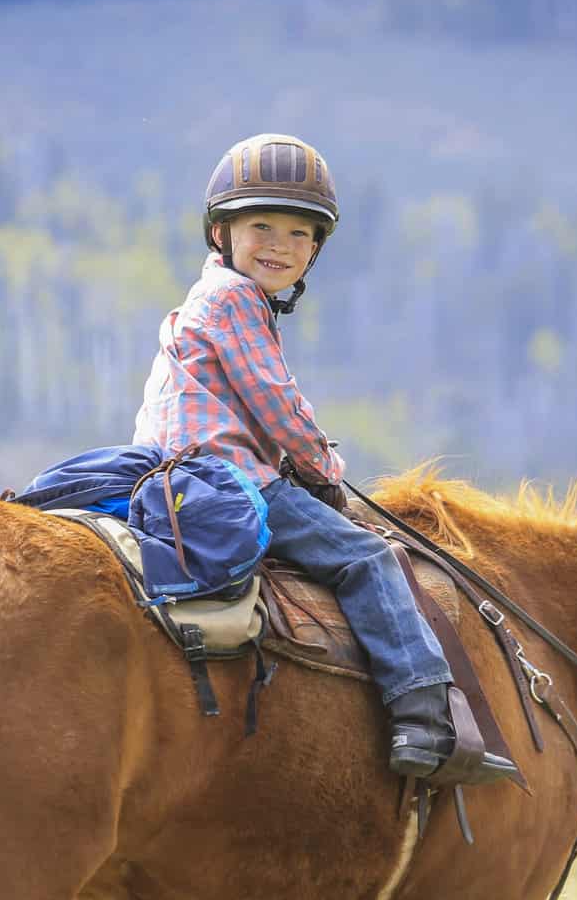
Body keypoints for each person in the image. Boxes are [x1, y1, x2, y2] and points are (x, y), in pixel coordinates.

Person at [133, 132, 514, 787]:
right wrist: (325, 472)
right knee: (368, 557)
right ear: (220, 233)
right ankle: (424, 713)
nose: (279, 245)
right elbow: (279, 406)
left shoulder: (199, 305)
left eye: (299, 233)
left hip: (174, 478)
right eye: (261, 225)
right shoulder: (233, 302)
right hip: (229, 481)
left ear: (315, 248)